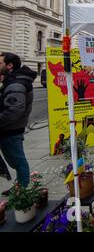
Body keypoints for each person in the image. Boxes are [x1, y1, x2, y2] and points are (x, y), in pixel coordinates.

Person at [0, 52, 37, 195]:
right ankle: (20, 186)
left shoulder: (17, 83)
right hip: (10, 129)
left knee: (18, 161)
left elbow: (15, 109)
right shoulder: (13, 81)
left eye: (0, 63)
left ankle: (22, 190)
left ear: (10, 65)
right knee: (15, 161)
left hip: (11, 130)